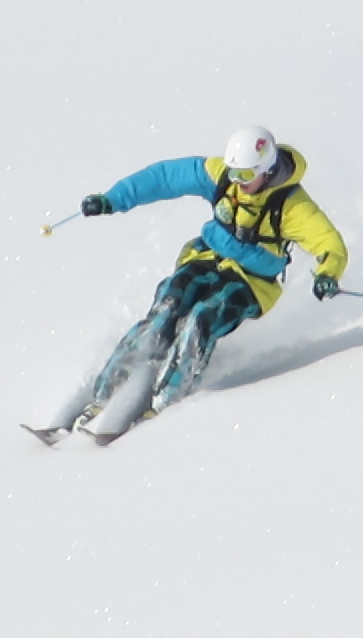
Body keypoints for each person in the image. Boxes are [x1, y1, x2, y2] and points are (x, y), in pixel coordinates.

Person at [54, 124, 348, 434]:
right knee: (167, 308)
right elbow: (166, 178)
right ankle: (104, 395)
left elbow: (331, 245)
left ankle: (165, 400)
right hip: (205, 259)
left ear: (267, 169)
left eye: (245, 175)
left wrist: (328, 274)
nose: (237, 181)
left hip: (251, 283)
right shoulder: (224, 176)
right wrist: (113, 199)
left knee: (201, 318)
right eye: (234, 172)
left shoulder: (293, 206)